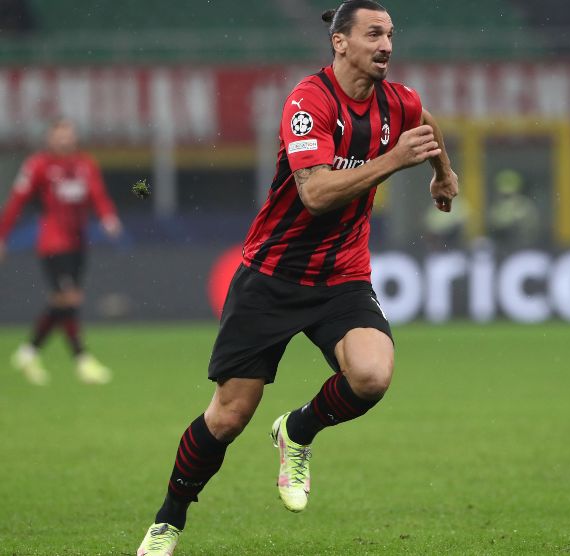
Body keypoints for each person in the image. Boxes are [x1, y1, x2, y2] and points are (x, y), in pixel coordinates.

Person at [136, 2, 458, 554]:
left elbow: (425, 125)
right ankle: (168, 521)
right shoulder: (308, 102)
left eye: (391, 35)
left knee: (373, 376)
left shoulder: (398, 101)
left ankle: (298, 432)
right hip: (273, 274)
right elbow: (314, 194)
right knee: (230, 416)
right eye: (373, 34)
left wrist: (442, 174)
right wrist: (395, 163)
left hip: (342, 276)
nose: (386, 45)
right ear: (340, 42)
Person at [0, 117, 122, 386]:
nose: (65, 139)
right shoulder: (38, 166)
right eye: (60, 135)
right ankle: (82, 359)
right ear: (50, 138)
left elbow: (98, 195)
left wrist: (108, 217)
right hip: (53, 243)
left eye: (69, 134)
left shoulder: (85, 165)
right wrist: (2, 236)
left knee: (63, 301)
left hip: (79, 243)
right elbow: (16, 202)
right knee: (69, 298)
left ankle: (28, 352)